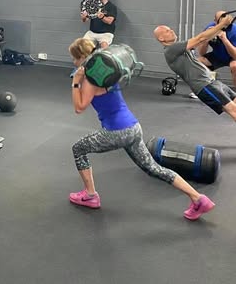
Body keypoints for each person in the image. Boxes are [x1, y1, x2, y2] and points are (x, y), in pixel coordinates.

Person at [68, 38, 215, 220]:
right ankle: (198, 198)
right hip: (133, 127)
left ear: (82, 58)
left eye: (74, 58)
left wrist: (76, 82)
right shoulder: (109, 72)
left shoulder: (91, 81)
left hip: (116, 132)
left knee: (78, 149)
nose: (73, 62)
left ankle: (90, 196)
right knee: (153, 168)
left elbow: (79, 107)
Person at [153, 16, 236, 122]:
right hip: (204, 86)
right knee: (234, 110)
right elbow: (200, 38)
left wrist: (216, 30)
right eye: (167, 31)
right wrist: (222, 24)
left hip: (212, 82)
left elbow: (202, 40)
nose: (172, 31)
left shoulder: (179, 47)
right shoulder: (171, 49)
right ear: (161, 38)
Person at [196, 11, 236, 86]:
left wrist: (224, 39)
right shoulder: (209, 28)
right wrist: (206, 39)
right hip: (217, 56)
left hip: (232, 57)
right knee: (198, 62)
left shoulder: (234, 31)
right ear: (215, 21)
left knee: (234, 66)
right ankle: (204, 87)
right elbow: (202, 53)